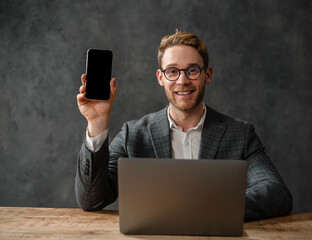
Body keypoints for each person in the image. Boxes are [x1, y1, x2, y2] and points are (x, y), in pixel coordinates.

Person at [76, 30, 292, 220]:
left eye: (192, 70)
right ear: (161, 77)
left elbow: (276, 193)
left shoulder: (240, 134)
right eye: (172, 71)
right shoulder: (133, 134)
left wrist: (212, 208)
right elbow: (92, 200)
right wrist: (97, 122)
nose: (182, 81)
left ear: (207, 75)